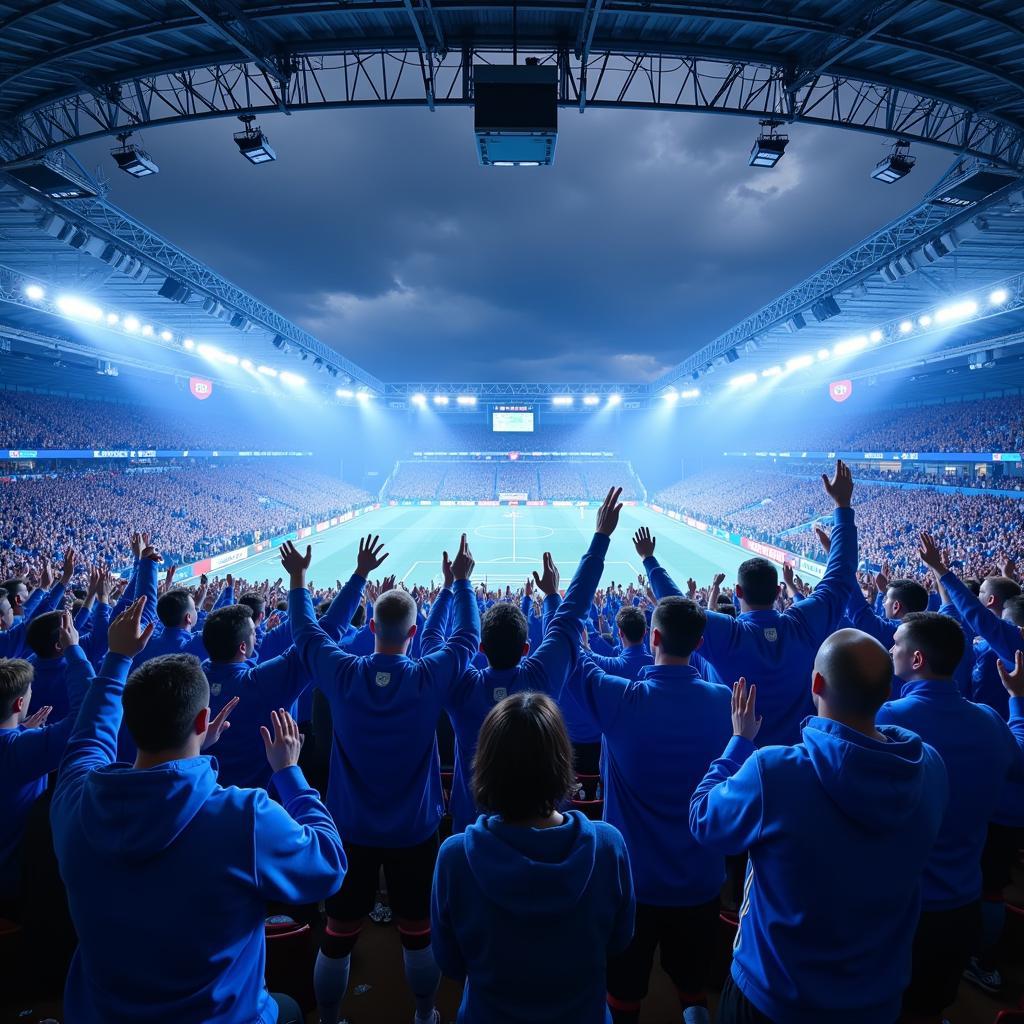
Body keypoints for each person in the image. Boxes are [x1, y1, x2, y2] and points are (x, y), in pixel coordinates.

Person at [50, 593, 346, 1024]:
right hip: (224, 1017)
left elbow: (89, 737)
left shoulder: (73, 801)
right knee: (290, 1010)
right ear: (203, 722)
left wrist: (115, 659)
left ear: (129, 723)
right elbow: (329, 864)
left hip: (102, 1014)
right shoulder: (244, 816)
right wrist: (289, 774)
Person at [691, 630, 948, 1024]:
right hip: (876, 1002)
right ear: (886, 692)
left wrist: (739, 743)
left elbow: (704, 819)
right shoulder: (929, 768)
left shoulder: (774, 771)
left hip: (772, 997)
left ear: (816, 684)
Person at [282, 533, 480, 1024]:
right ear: (414, 634)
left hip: (349, 830)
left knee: (338, 936)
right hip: (414, 831)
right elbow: (467, 638)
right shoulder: (427, 676)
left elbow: (307, 633)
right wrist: (460, 585)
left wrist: (312, 579)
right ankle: (424, 1013)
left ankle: (328, 1019)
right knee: (418, 933)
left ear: (370, 625)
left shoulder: (343, 674)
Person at [566, 595, 730, 1024]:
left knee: (623, 991)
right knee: (693, 987)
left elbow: (572, 657)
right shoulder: (723, 702)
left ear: (654, 636)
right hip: (700, 881)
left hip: (631, 882)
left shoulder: (623, 700)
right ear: (698, 642)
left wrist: (552, 599)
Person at [430, 692, 635, 1023]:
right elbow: (619, 941)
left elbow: (449, 961)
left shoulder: (455, 857)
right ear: (562, 763)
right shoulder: (609, 847)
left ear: (485, 765)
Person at [435, 487, 624, 833]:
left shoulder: (459, 689)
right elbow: (571, 617)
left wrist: (457, 585)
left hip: (469, 830)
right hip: (540, 828)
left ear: (479, 648)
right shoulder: (539, 679)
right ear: (526, 648)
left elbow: (436, 644)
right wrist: (556, 589)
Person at [639, 460, 858, 747]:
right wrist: (842, 508)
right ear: (780, 590)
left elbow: (678, 609)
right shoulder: (803, 624)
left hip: (739, 763)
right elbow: (841, 576)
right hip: (798, 760)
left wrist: (650, 561)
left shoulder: (729, 636)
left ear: (738, 592)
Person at [876, 612, 1024, 1023]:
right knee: (931, 1003)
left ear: (917, 659)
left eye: (897, 645)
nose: (890, 650)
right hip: (961, 901)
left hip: (897, 903)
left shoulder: (887, 719)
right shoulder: (990, 721)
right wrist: (1018, 701)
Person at [917, 534, 1024, 993]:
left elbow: (976, 615)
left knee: (985, 881)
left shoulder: (1012, 648)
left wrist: (943, 572)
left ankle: (979, 959)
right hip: (997, 774)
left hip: (1002, 789)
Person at [0, 613, 93, 916]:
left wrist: (22, 730)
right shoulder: (21, 750)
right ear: (19, 704)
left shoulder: (22, 741)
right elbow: (87, 714)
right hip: (14, 886)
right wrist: (74, 652)